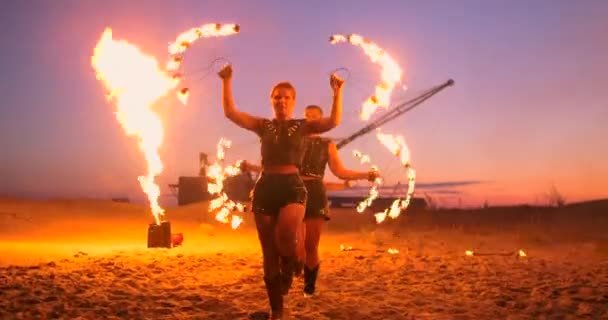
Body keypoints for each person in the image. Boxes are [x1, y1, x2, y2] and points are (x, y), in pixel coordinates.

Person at [218, 64, 344, 319]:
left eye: (287, 97)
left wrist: (337, 92)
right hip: (265, 187)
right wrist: (227, 81)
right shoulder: (262, 125)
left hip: (292, 186)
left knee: (287, 233)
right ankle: (277, 310)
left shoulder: (304, 126)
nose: (282, 101)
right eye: (277, 97)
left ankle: (290, 268)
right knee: (268, 252)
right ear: (271, 101)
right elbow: (231, 112)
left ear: (293, 101)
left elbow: (333, 121)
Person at [241, 105, 380, 298]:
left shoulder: (327, 145)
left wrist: (365, 174)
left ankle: (309, 288)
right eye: (307, 117)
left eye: (315, 118)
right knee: (290, 242)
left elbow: (340, 171)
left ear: (320, 122)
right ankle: (290, 269)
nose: (311, 120)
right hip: (290, 188)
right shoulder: (293, 139)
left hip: (314, 192)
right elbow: (273, 166)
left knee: (311, 245)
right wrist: (251, 168)